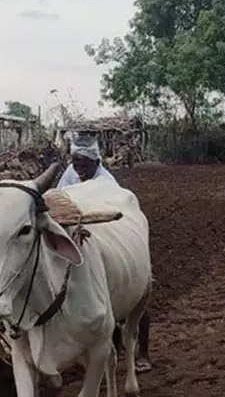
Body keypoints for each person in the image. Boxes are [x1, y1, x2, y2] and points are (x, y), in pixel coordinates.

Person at [57, 134, 154, 372]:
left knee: (136, 294)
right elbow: (59, 201)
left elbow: (113, 216)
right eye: (75, 160)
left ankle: (142, 352)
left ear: (96, 161)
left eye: (83, 162)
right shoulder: (69, 174)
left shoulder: (108, 183)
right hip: (76, 240)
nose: (78, 166)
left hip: (103, 237)